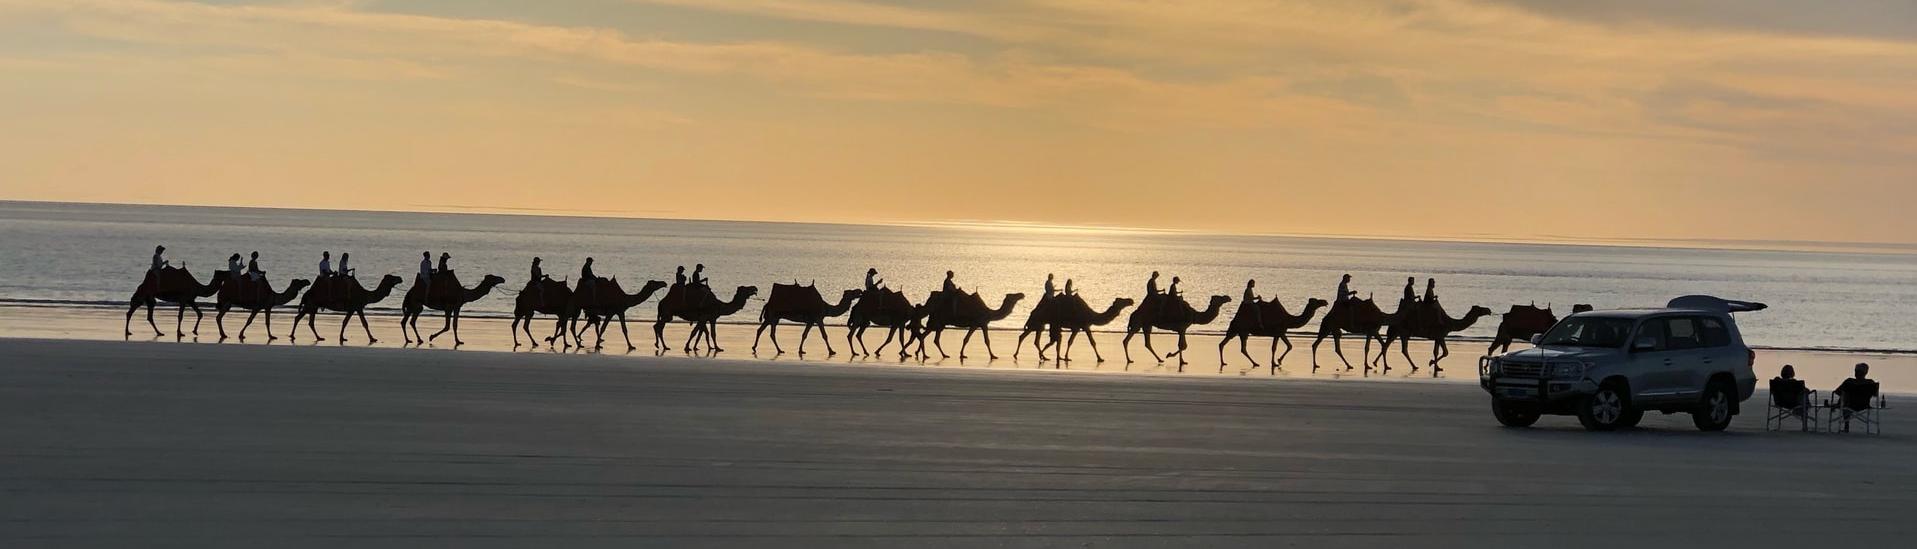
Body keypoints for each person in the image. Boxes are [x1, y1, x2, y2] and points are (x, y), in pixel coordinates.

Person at [1831, 363, 1878, 432]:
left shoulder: (1849, 381)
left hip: (1849, 405)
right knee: (1845, 398)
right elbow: (1875, 395)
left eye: (1856, 371)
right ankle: (1841, 404)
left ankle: (1846, 425)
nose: (1855, 372)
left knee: (1845, 399)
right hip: (1864, 405)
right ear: (1866, 373)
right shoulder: (1870, 383)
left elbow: (1838, 392)